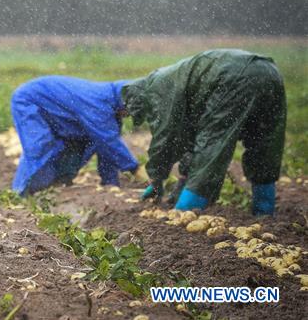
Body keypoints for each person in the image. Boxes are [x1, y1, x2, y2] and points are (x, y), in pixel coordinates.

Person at [123, 49, 286, 215]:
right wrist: (184, 179)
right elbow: (187, 137)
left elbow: (166, 137)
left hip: (231, 76)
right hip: (270, 71)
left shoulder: (156, 89)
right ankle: (264, 209)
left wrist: (156, 178)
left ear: (140, 100)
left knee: (213, 143)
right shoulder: (169, 79)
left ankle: (185, 210)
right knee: (264, 140)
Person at [11, 76, 139, 196]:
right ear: (125, 103)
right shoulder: (98, 104)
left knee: (81, 145)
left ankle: (57, 184)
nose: (128, 115)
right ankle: (21, 193)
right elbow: (109, 142)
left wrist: (111, 183)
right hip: (29, 100)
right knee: (40, 145)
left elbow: (106, 150)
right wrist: (135, 169)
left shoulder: (112, 111)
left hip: (58, 111)